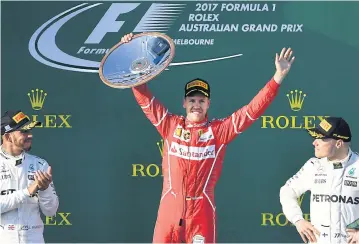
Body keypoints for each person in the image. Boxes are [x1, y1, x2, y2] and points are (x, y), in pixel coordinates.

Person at [121, 33, 295, 243]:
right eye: (192, 100)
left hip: (201, 213)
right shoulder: (170, 125)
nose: (196, 104)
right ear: (184, 103)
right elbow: (143, 96)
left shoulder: (219, 131)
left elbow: (252, 111)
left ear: (208, 104)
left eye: (201, 100)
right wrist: (129, 51)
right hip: (168, 211)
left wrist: (277, 78)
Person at [279, 117, 359, 244]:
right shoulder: (313, 166)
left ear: (338, 143)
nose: (314, 143)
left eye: (321, 139)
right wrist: (298, 220)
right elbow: (287, 191)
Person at [0, 110, 59, 243]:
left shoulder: (40, 164)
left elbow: (51, 211)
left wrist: (45, 189)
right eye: (24, 132)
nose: (30, 135)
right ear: (8, 137)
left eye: (30, 131)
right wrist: (28, 192)